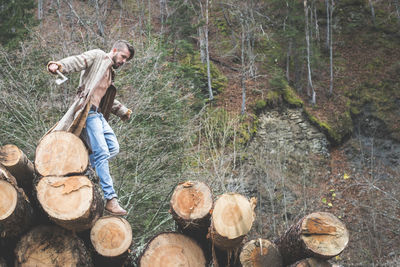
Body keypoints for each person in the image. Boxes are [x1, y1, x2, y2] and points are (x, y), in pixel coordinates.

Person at [47, 40, 135, 215]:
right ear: (115, 50)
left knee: (113, 148)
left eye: (127, 60)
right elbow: (79, 60)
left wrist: (122, 111)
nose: (124, 61)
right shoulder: (98, 57)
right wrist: (59, 65)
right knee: (102, 151)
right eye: (123, 57)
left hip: (99, 114)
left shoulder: (110, 72)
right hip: (87, 111)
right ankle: (111, 199)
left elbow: (103, 96)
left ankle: (84, 169)